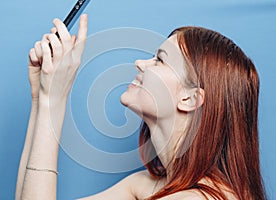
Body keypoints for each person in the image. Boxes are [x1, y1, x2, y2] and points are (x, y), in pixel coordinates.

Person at [15, 14, 266, 200]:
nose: (139, 63)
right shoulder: (149, 186)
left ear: (189, 99)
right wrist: (41, 98)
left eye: (159, 60)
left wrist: (54, 100)